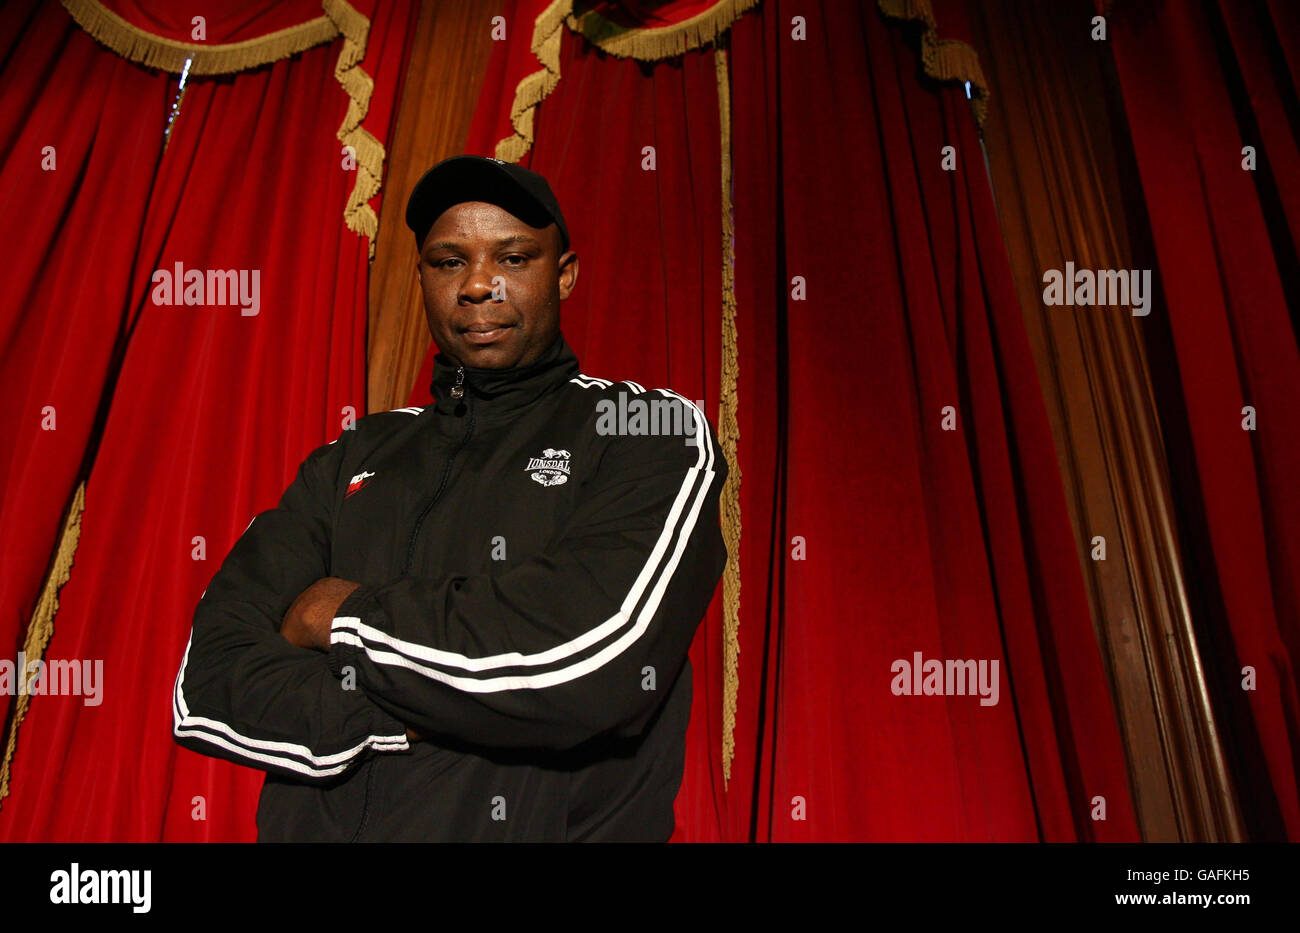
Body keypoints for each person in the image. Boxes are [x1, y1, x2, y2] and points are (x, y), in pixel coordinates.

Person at [171, 155, 730, 842]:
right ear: (422, 278)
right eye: (447, 261)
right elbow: (211, 676)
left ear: (565, 273)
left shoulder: (643, 432)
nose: (477, 285)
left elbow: (588, 658)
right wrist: (401, 716)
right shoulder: (355, 455)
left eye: (513, 257)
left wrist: (335, 614)